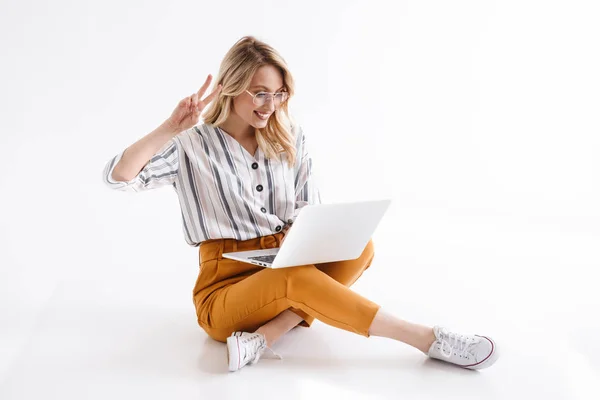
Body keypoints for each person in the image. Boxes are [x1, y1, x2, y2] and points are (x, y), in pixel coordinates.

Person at [103, 35, 499, 372]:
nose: (270, 104)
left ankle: (269, 334)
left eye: (278, 94)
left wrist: (301, 231)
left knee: (360, 248)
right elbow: (120, 178)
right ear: (230, 86)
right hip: (224, 292)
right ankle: (427, 338)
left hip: (287, 260)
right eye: (259, 92)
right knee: (295, 280)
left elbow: (308, 207)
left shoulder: (289, 137)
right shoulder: (190, 145)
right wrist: (170, 128)